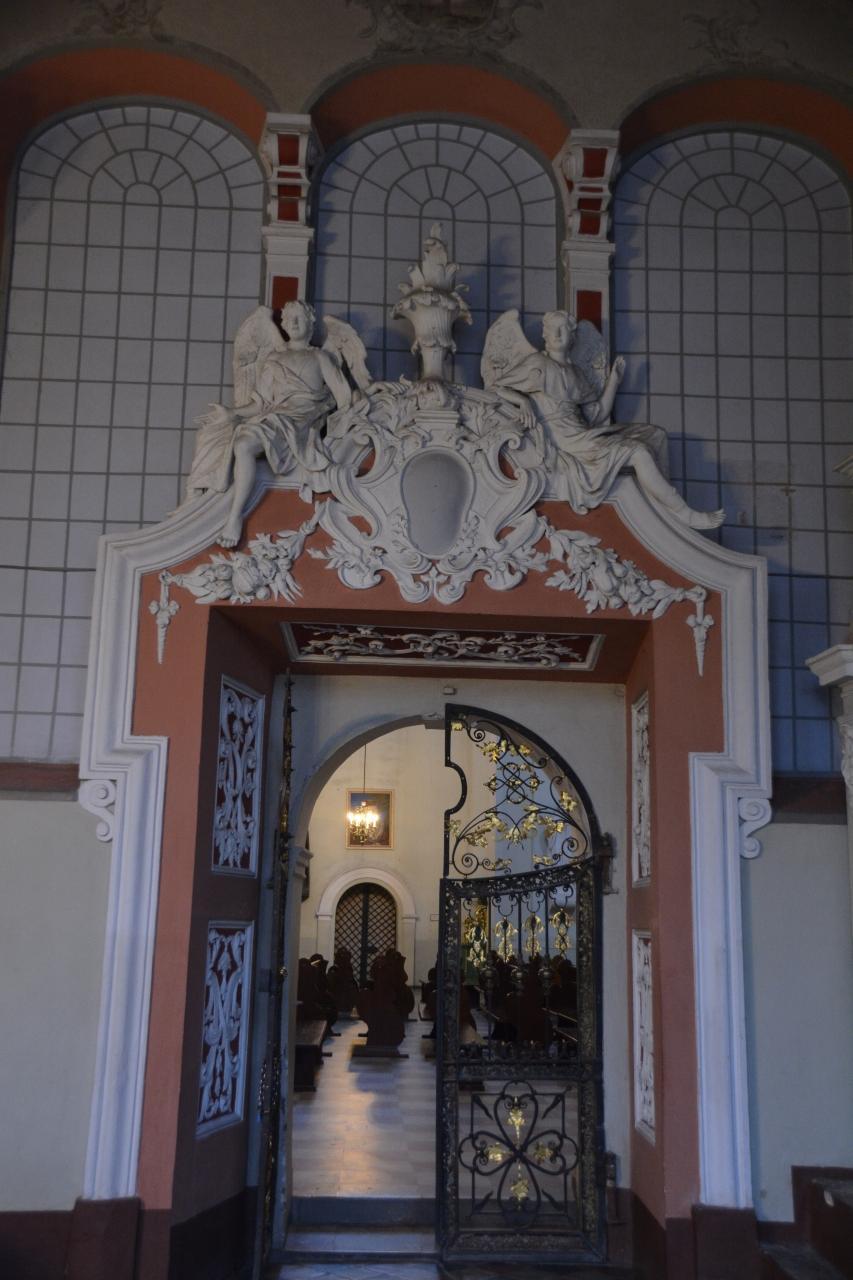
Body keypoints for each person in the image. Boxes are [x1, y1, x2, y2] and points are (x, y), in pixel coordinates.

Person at [489, 310, 724, 530]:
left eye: (563, 329)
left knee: (654, 435)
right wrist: (523, 401)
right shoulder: (536, 364)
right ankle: (683, 513)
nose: (558, 334)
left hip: (584, 434)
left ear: (572, 336)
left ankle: (662, 510)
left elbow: (597, 414)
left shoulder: (577, 373)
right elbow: (496, 387)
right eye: (552, 329)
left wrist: (613, 381)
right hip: (565, 441)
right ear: (544, 334)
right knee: (639, 451)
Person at [186, 301, 353, 547]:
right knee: (238, 442)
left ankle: (232, 516)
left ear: (310, 323)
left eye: (299, 318)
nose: (293, 323)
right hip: (275, 418)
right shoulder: (275, 358)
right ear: (283, 324)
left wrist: (365, 396)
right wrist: (231, 413)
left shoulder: (319, 357)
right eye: (289, 318)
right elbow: (259, 404)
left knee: (247, 440)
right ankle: (232, 515)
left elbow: (344, 397)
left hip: (301, 420)